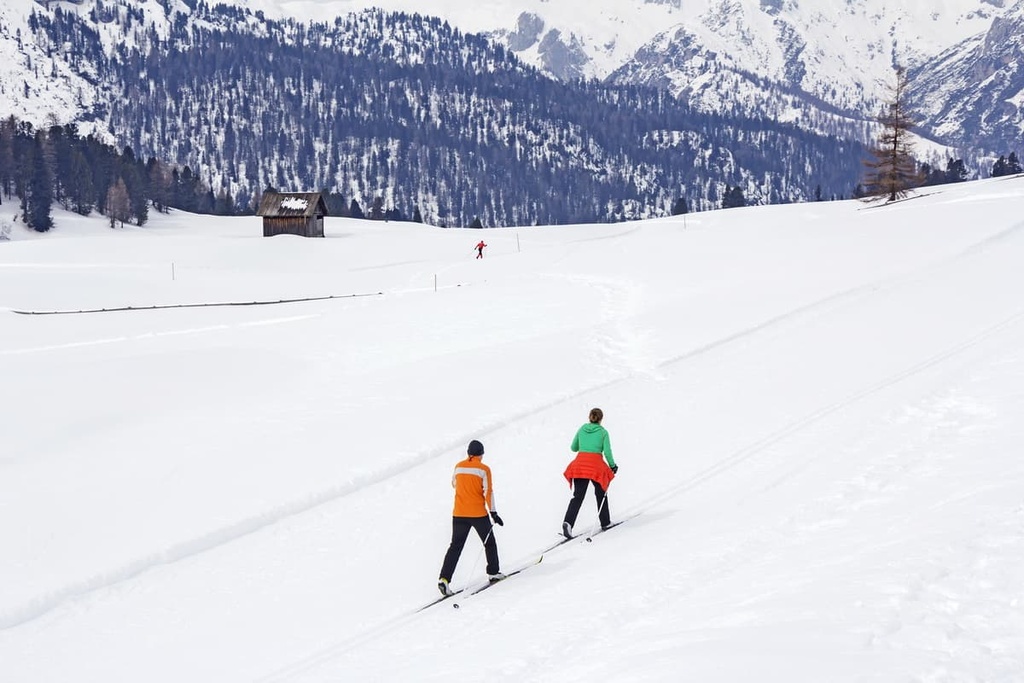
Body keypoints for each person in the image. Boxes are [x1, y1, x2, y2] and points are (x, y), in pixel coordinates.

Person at [438, 439, 505, 596]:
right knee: (489, 543)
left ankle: (444, 579)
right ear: (481, 454)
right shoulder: (484, 469)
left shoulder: (458, 466)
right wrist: (493, 513)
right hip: (477, 514)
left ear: (468, 453)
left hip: (459, 513)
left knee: (455, 547)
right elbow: (488, 492)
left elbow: (454, 484)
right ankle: (493, 572)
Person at [562, 408, 617, 538]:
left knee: (578, 497)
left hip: (580, 465)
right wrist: (613, 466)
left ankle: (568, 522)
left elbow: (573, 447)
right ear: (601, 419)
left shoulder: (582, 429)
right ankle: (605, 522)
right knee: (601, 492)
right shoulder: (603, 433)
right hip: (595, 466)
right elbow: (607, 452)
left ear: (589, 417)